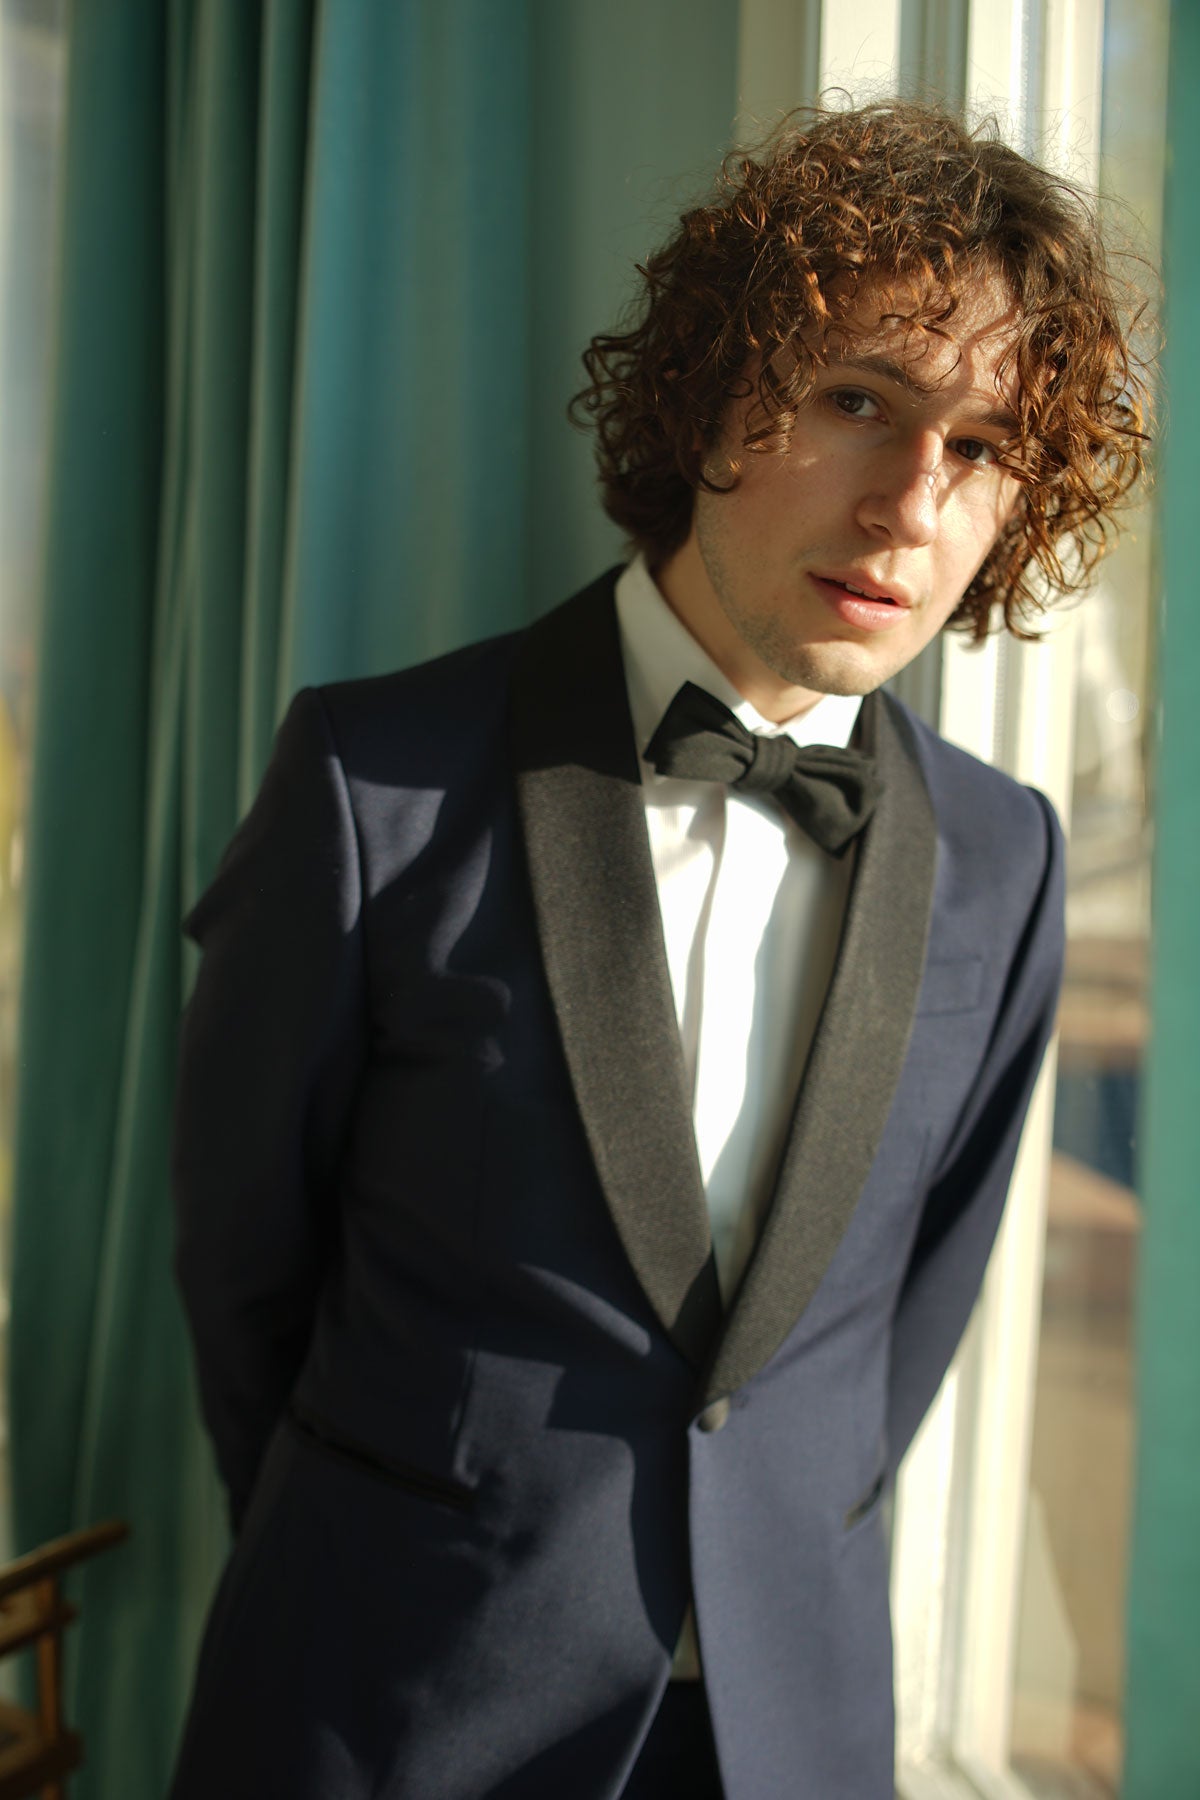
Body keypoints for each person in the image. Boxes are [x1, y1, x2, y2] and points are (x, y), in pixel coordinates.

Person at [169, 102, 1149, 1800]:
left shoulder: (1008, 857)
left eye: (985, 449)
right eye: (862, 401)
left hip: (791, 1732)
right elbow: (242, 1274)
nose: (913, 502)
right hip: (387, 1709)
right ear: (712, 390)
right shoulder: (369, 783)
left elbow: (899, 1333)